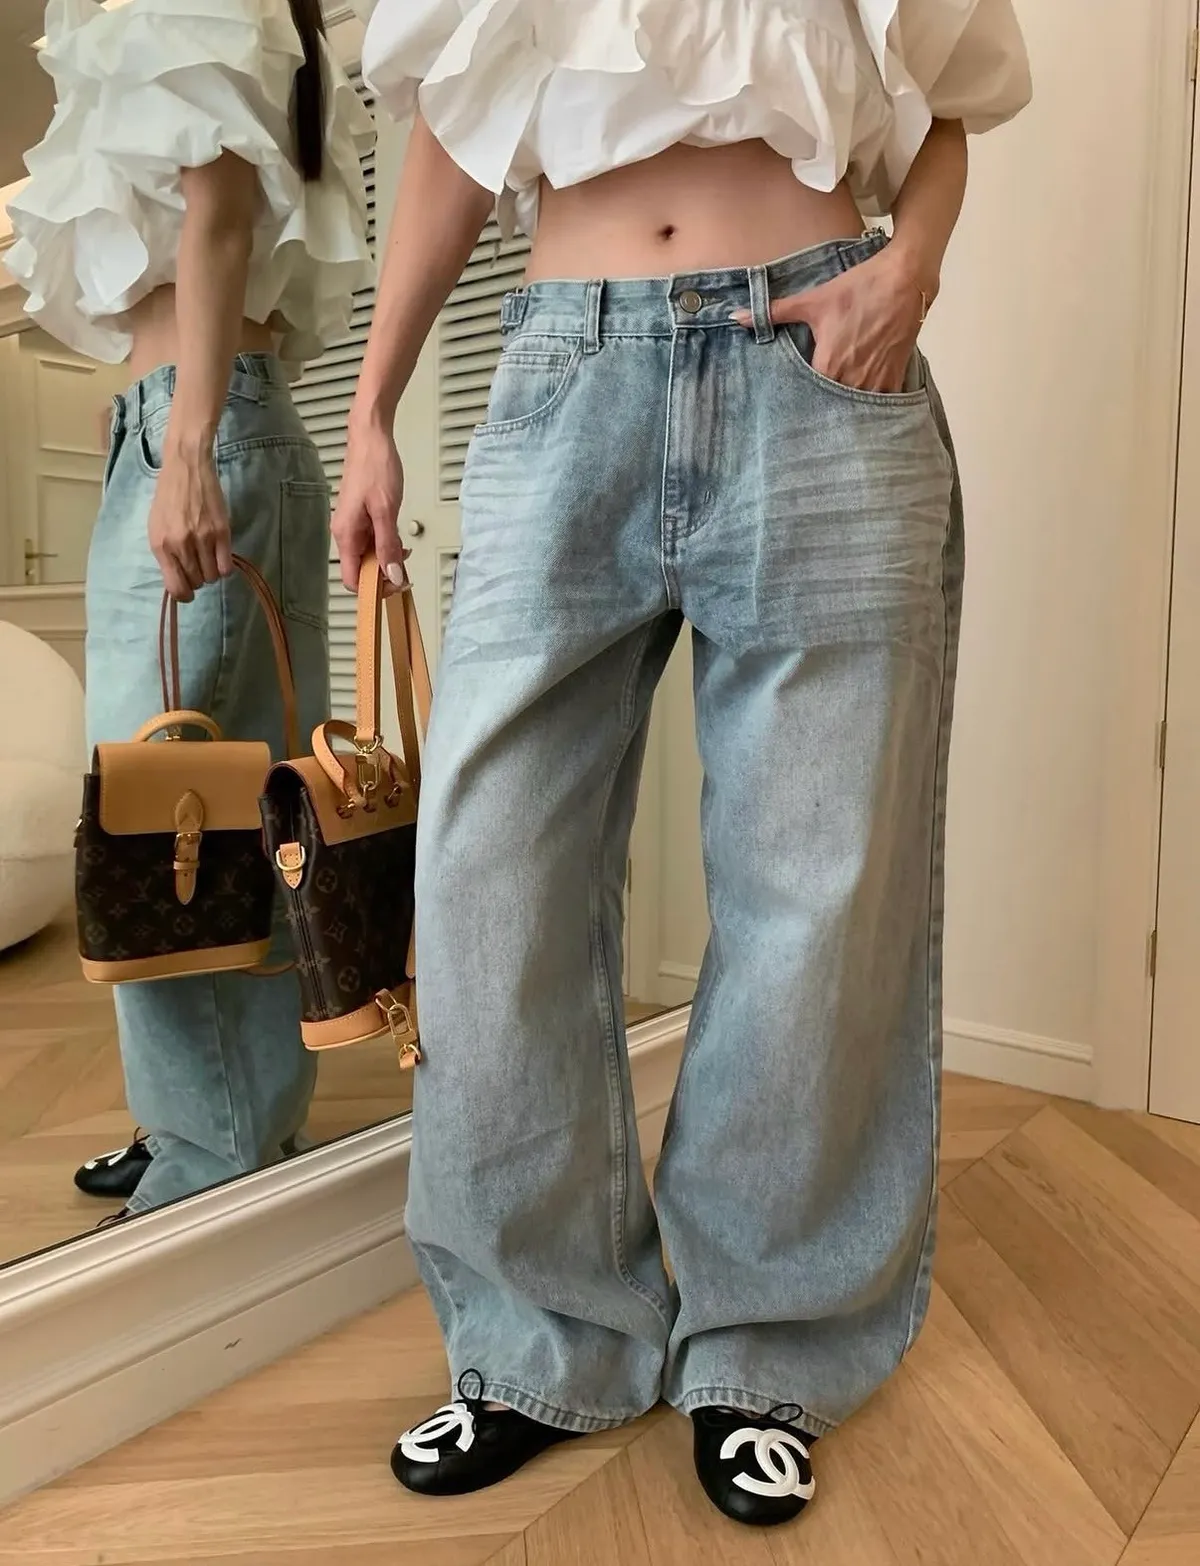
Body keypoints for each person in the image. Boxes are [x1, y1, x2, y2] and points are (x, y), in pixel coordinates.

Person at [334, 0, 1031, 1530]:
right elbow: (451, 131)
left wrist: (910, 268)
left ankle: (764, 1349)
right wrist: (372, 407)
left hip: (817, 366)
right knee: (485, 876)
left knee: (813, 888)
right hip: (564, 367)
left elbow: (954, 103)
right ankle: (538, 1341)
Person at [7, 0, 375, 1218]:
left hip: (198, 428)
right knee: (179, 805)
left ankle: (217, 1157)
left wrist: (188, 443)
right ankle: (207, 1121)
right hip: (180, 423)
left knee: (184, 809)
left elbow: (218, 218)